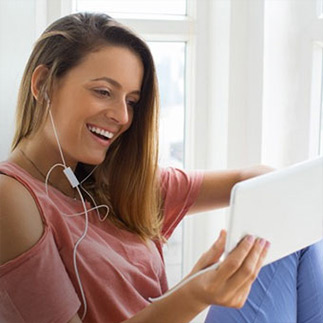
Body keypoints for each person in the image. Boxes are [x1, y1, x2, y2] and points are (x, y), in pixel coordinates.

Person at [0, 12, 321, 323]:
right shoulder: (12, 198)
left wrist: (282, 193)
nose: (122, 117)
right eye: (103, 92)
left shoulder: (114, 183)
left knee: (297, 234)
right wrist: (195, 293)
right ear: (43, 84)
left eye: (131, 101)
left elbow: (246, 179)